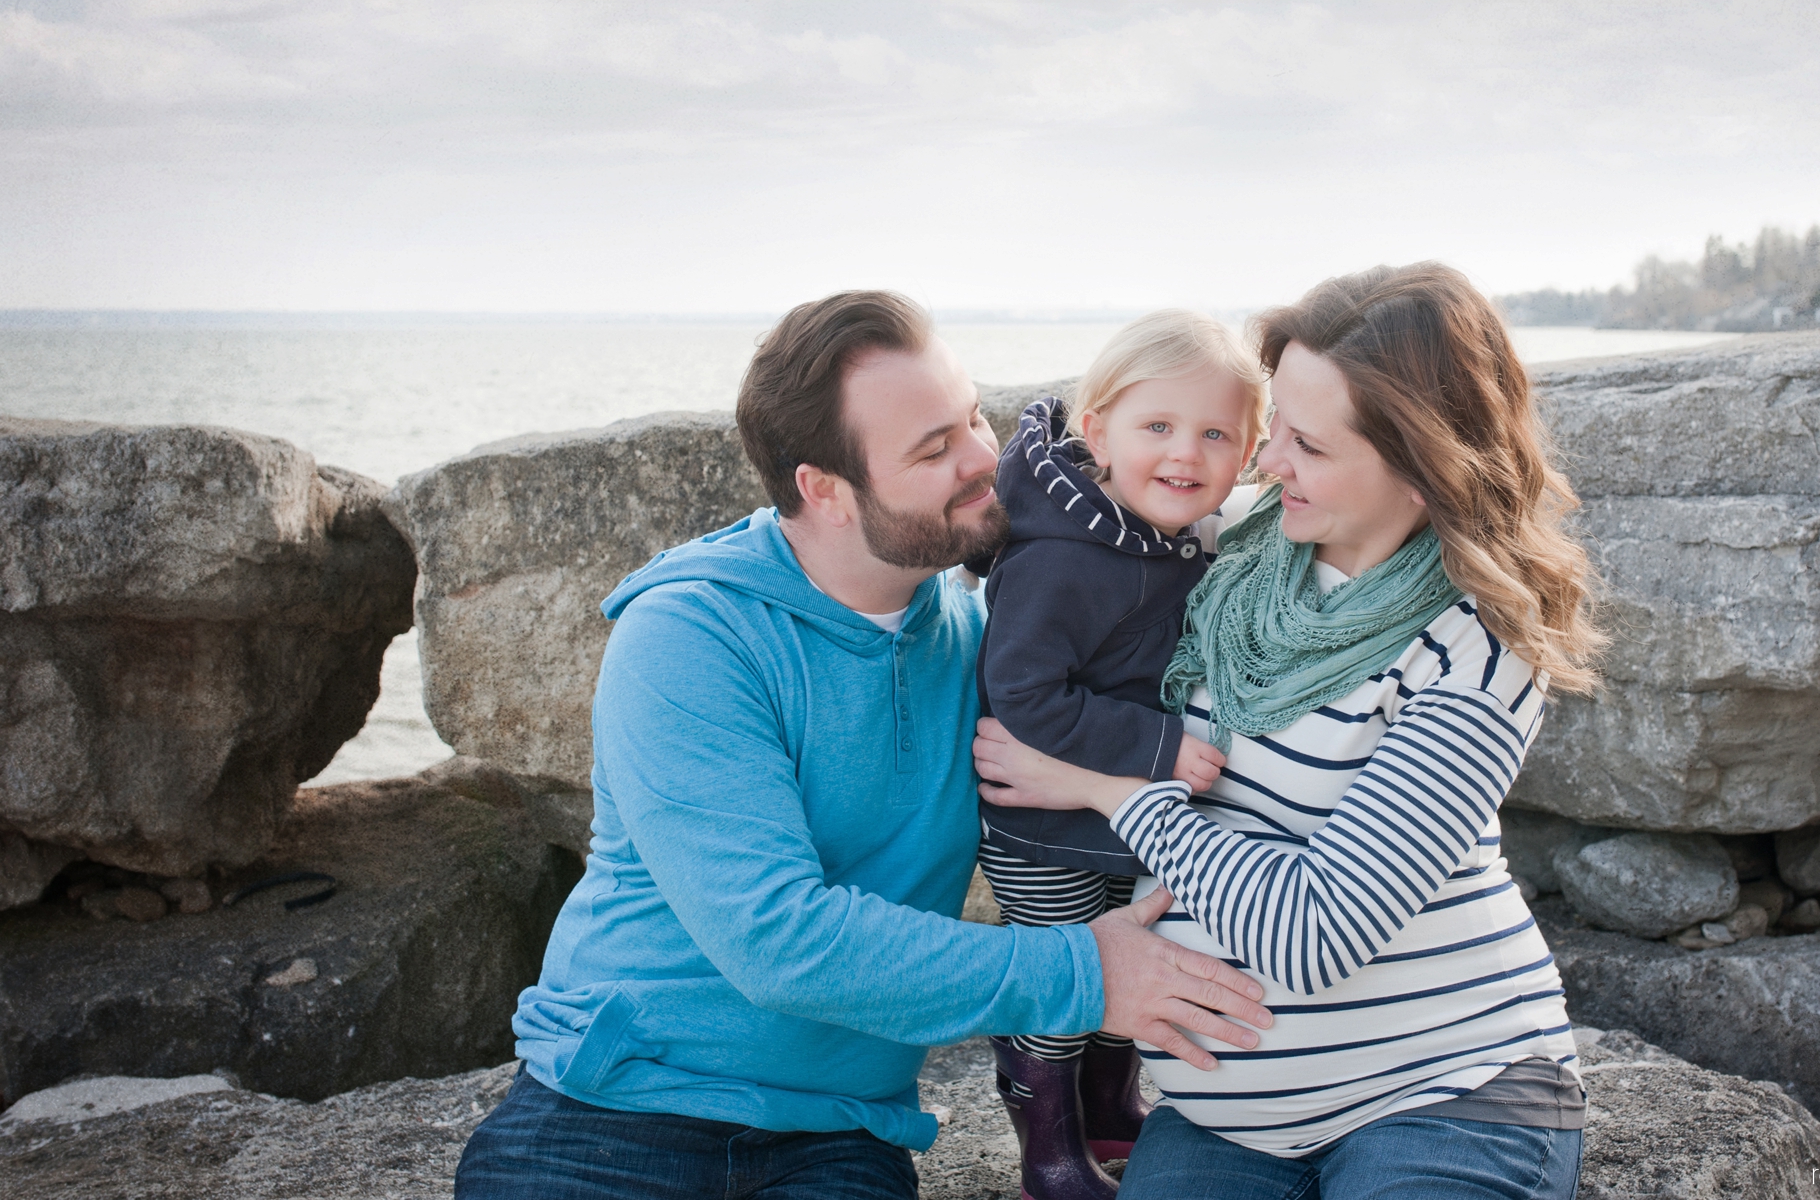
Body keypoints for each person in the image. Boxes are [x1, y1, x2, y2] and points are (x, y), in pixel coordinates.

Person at [454, 291, 1271, 1200]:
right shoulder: (690, 636)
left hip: (836, 1133)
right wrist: (1086, 971)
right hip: (611, 1114)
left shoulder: (981, 634)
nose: (982, 458)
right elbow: (778, 939)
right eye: (933, 448)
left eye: (972, 417)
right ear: (826, 490)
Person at [973, 264, 1605, 1200]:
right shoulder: (1235, 552)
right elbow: (1065, 557)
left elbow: (1314, 932)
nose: (1266, 465)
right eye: (1274, 432)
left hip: (1441, 1091)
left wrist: (1109, 790)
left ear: (1423, 466)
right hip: (1225, 1119)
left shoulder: (1478, 654)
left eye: (1305, 444)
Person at [970, 310, 1266, 1198]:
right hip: (1039, 825)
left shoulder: (1172, 534)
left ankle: (1109, 1105)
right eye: (1158, 427)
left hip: (1119, 819)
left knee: (1127, 961)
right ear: (1096, 432)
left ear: (1250, 454)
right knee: (1067, 979)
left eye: (1216, 433)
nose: (1186, 453)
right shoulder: (1061, 556)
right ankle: (1048, 1146)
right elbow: (1021, 695)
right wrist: (1160, 744)